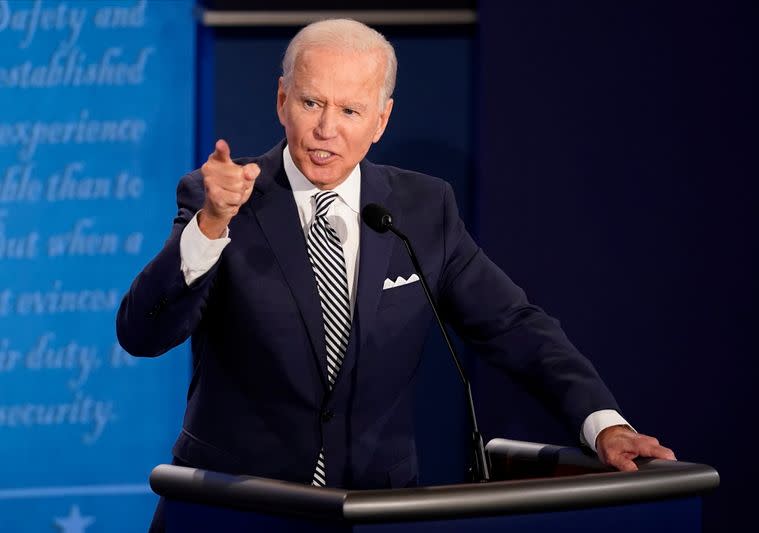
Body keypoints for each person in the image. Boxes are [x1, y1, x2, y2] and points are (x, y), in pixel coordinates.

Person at [116, 18, 675, 530]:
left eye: (351, 111)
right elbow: (142, 334)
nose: (325, 129)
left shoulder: (424, 209)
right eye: (311, 102)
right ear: (282, 99)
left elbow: (513, 325)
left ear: (381, 120)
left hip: (376, 510)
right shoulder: (223, 198)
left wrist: (603, 424)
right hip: (235, 509)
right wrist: (212, 224)